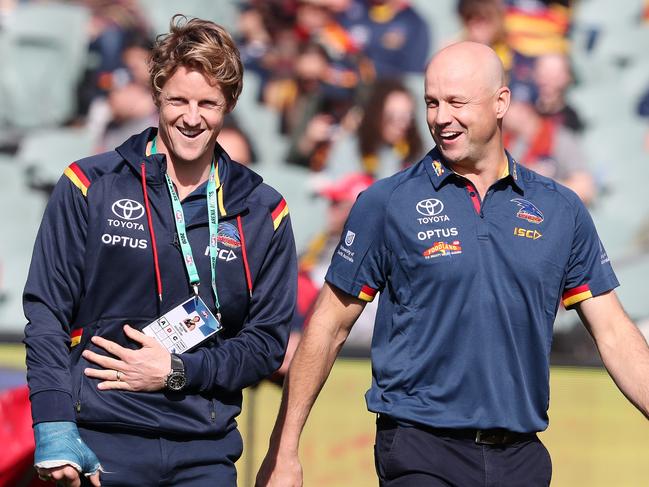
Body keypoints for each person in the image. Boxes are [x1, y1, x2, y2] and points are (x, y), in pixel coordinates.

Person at [256, 41, 649, 487]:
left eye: (456, 102)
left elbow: (615, 334)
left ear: (501, 103)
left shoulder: (561, 210)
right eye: (432, 102)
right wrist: (283, 451)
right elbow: (328, 328)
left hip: (521, 455)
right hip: (419, 448)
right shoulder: (386, 203)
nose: (441, 117)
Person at [24, 15, 297, 487]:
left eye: (208, 103)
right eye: (178, 100)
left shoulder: (263, 210)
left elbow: (266, 344)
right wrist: (53, 425)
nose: (192, 118)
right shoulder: (89, 184)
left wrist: (176, 371)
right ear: (156, 97)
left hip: (205, 454)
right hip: (98, 443)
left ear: (229, 104)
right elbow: (47, 311)